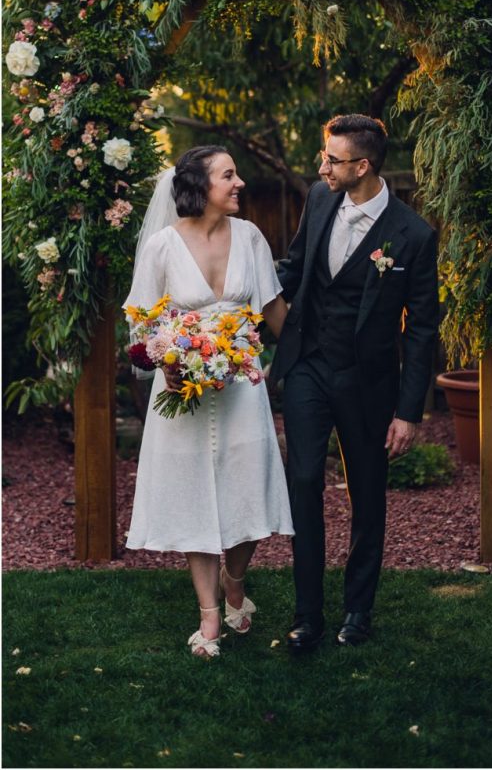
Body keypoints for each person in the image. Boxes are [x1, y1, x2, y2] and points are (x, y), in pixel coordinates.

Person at [270, 113, 442, 654]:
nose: (322, 167)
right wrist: (240, 285)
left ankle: (358, 611)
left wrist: (409, 411)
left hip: (368, 383)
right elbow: (295, 270)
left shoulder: (413, 235)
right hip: (307, 368)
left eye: (333, 160)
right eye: (325, 156)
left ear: (362, 166)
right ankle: (307, 616)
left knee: (368, 497)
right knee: (303, 484)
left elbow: (422, 329)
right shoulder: (320, 201)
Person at [123, 146, 295, 658]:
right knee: (195, 495)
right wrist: (170, 364)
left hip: (242, 386)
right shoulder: (162, 246)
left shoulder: (251, 237)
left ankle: (235, 577)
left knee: (250, 488)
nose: (239, 182)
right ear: (201, 186)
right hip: (183, 391)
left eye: (236, 174)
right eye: (228, 175)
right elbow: (142, 322)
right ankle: (210, 615)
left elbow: (273, 311)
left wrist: (311, 353)